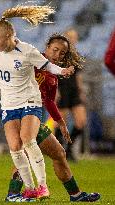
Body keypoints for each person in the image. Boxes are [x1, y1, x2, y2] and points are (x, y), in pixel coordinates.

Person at [0, 4, 74, 202]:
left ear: (9, 37)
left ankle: (43, 186)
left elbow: (48, 66)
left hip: (30, 101)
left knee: (28, 139)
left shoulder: (27, 50)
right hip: (9, 106)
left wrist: (63, 71)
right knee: (15, 149)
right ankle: (29, 189)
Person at [5, 34, 100, 202]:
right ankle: (13, 194)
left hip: (33, 116)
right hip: (17, 112)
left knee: (58, 153)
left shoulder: (52, 78)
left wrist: (61, 123)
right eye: (55, 50)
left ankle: (75, 195)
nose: (57, 55)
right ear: (47, 46)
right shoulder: (32, 58)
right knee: (26, 151)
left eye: (62, 53)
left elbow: (49, 101)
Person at [55, 28, 87, 162]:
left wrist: (81, 90)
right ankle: (58, 151)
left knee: (81, 121)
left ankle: (69, 149)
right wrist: (55, 91)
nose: (72, 40)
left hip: (74, 91)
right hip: (62, 89)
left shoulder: (77, 56)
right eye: (70, 37)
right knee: (61, 123)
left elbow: (78, 75)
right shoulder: (58, 56)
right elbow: (53, 74)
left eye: (74, 37)